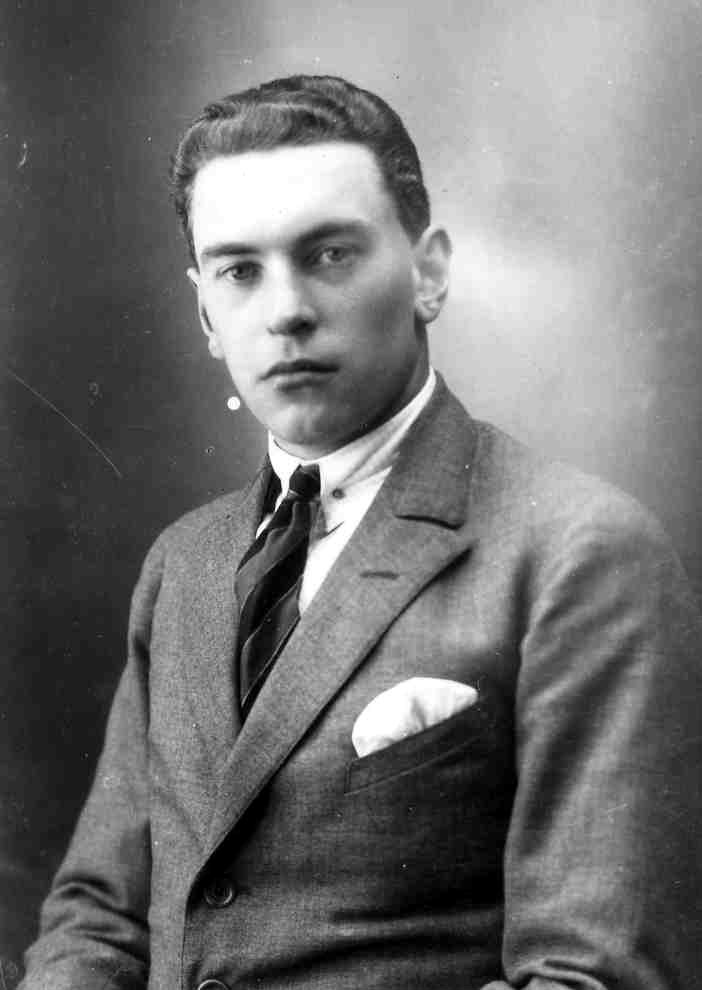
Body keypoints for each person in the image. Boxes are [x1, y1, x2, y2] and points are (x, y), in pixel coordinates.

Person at [20, 75, 702, 990]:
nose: (286, 310)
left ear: (429, 272)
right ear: (206, 315)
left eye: (331, 254)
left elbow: (592, 973)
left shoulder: (577, 553)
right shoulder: (184, 563)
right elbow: (98, 919)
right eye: (240, 271)